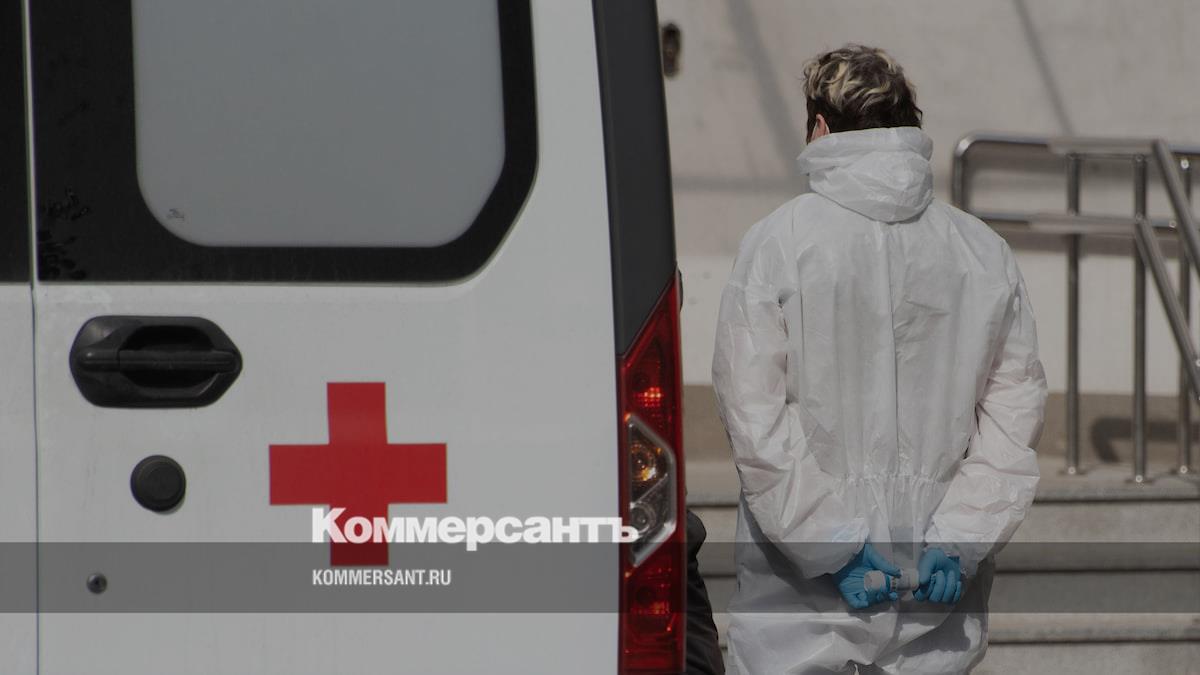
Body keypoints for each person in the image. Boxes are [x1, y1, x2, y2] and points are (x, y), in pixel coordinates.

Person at [711, 44, 1046, 673]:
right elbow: (1013, 419)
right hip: (936, 599)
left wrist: (831, 546)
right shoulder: (981, 250)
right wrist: (961, 537)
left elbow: (756, 421)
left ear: (819, 127)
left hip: (800, 607)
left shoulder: (780, 242)